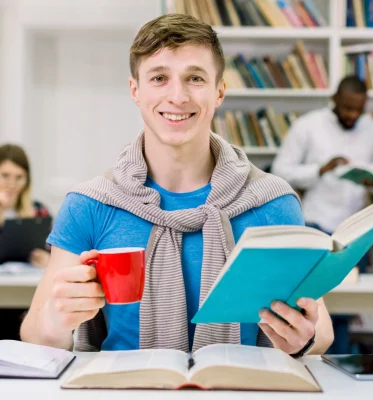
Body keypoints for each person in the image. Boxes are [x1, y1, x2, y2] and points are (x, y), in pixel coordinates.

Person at [21, 14, 333, 355]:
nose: (177, 96)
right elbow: (37, 335)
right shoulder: (90, 204)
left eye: (195, 78)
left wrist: (305, 337)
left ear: (219, 92)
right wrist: (57, 316)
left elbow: (322, 331)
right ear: (135, 91)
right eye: (159, 78)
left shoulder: (272, 202)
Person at [272, 76, 373, 354]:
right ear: (335, 99)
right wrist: (320, 170)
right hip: (316, 226)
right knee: (314, 304)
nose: (352, 115)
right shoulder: (308, 126)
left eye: (357, 110)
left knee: (347, 304)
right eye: (347, 108)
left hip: (356, 230)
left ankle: (340, 362)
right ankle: (313, 361)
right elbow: (280, 171)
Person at [0, 144, 51, 340]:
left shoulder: (39, 211)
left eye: (19, 177)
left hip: (28, 290)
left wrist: (48, 259)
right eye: (5, 176)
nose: (12, 183)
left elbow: (55, 249)